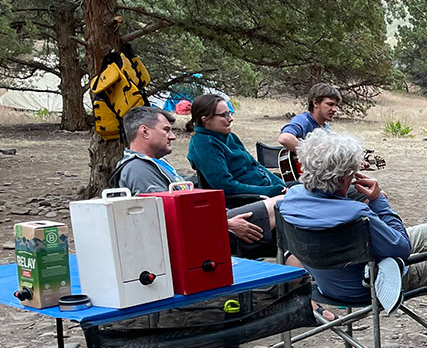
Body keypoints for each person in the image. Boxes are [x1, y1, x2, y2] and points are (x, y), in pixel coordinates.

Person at [278, 130, 427, 348]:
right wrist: (379, 202)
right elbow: (400, 247)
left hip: (325, 281)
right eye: (351, 172)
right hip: (364, 286)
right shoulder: (356, 214)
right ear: (342, 179)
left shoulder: (289, 200)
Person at [113, 106, 280, 258]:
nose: (173, 136)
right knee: (284, 203)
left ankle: (295, 282)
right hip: (209, 233)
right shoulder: (138, 169)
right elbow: (165, 218)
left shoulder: (155, 163)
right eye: (166, 130)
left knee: (291, 218)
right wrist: (225, 224)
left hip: (214, 221)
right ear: (145, 132)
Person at [186, 94, 286, 197]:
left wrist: (280, 184)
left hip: (265, 187)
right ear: (205, 119)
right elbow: (225, 186)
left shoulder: (230, 137)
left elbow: (255, 165)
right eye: (224, 115)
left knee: (300, 188)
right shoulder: (203, 144)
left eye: (230, 113)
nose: (230, 119)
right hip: (246, 200)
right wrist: (269, 191)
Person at [278, 83, 341, 152]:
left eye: (336, 105)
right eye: (330, 104)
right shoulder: (303, 120)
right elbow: (285, 138)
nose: (334, 109)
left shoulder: (326, 129)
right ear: (315, 103)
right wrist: (309, 155)